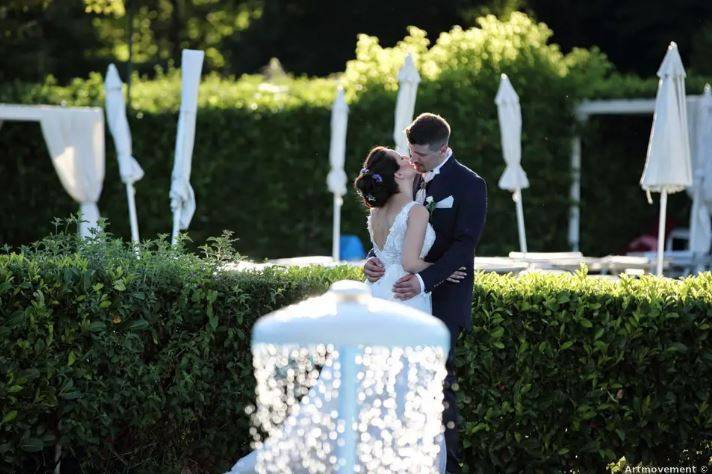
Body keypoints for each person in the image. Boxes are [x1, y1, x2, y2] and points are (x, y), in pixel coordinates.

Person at [364, 113, 487, 473]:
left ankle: (442, 466)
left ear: (443, 149)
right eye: (410, 153)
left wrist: (424, 281)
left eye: (421, 156)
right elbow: (389, 231)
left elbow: (465, 247)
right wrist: (371, 261)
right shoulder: (407, 179)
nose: (414, 161)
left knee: (437, 384)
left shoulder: (469, 184)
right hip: (395, 291)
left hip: (441, 296)